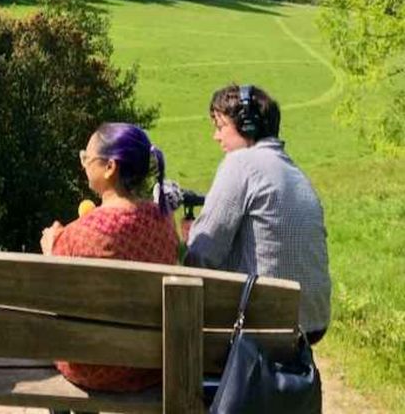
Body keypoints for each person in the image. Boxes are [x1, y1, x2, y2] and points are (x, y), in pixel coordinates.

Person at [40, 122, 178, 399]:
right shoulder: (163, 221)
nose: (83, 165)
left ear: (110, 167)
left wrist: (50, 245)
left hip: (91, 366)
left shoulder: (79, 233)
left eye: (86, 158)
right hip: (151, 364)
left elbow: (54, 288)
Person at [185, 84, 331, 343]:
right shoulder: (296, 173)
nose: (215, 137)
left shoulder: (241, 163)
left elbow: (202, 256)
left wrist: (188, 239)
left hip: (265, 324)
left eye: (220, 127)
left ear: (247, 127)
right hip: (313, 321)